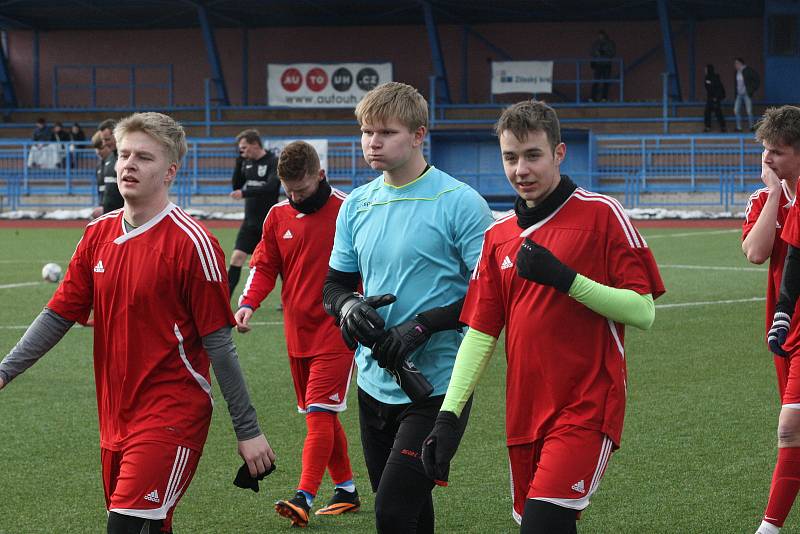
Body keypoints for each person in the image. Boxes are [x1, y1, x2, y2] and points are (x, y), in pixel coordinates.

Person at [0, 112, 276, 534]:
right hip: (116, 415)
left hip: (172, 413)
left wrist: (248, 430)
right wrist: (5, 370)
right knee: (150, 526)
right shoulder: (97, 234)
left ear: (170, 171)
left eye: (143, 157)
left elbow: (220, 345)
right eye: (124, 154)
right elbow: (58, 315)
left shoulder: (193, 242)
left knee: (124, 526)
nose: (128, 164)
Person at [420, 100, 664, 533]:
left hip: (587, 405)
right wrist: (448, 415)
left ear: (559, 153)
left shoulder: (602, 214)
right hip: (525, 413)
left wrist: (567, 280)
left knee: (542, 525)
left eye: (533, 155)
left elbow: (642, 311)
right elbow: (480, 333)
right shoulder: (498, 237)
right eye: (510, 157)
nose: (521, 170)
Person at [322, 81, 494, 533]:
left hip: (435, 386)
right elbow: (334, 285)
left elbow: (492, 294)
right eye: (365, 132)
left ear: (419, 134)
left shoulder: (459, 202)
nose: (372, 142)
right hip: (373, 382)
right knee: (410, 511)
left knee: (392, 513)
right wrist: (347, 309)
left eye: (386, 132)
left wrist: (423, 326)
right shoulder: (356, 203)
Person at [234, 141, 360, 527]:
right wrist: (248, 302)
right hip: (297, 334)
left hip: (338, 330)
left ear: (320, 176)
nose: (294, 197)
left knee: (320, 413)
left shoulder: (349, 209)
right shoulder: (277, 216)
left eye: (301, 191)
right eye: (288, 191)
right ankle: (347, 490)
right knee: (321, 414)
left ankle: (303, 496)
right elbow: (264, 264)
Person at [747, 106, 800, 534]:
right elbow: (755, 252)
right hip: (784, 329)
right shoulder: (764, 200)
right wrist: (775, 195)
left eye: (777, 153)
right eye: (765, 150)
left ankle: (770, 527)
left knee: (791, 426)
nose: (767, 160)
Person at [227, 129, 280, 298]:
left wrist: (245, 193)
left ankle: (287, 299)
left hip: (268, 223)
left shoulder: (273, 161)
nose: (242, 150)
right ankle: (224, 300)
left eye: (244, 147)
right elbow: (236, 185)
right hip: (249, 223)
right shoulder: (246, 162)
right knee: (236, 259)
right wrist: (238, 162)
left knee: (281, 264)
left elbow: (271, 187)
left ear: (255, 144)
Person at [97, 118, 124, 214]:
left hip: (124, 216)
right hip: (110, 216)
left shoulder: (128, 158)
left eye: (107, 139)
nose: (104, 143)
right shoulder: (109, 158)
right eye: (103, 140)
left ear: (117, 135)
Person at [734, 57, 760, 132]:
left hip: (746, 94)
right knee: (736, 110)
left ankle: (752, 127)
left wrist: (751, 90)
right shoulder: (737, 72)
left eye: (736, 63)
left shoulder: (748, 70)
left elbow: (756, 79)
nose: (735, 65)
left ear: (740, 63)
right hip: (739, 94)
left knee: (749, 111)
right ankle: (739, 127)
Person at [90, 130, 112, 219]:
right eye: (96, 148)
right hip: (105, 209)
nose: (98, 152)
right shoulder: (99, 165)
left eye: (101, 148)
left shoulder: (117, 163)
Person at [590, 30, 616, 102]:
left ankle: (604, 98)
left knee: (606, 82)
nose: (600, 37)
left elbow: (612, 53)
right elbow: (592, 52)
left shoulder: (609, 43)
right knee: (596, 81)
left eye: (601, 36)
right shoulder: (596, 44)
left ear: (605, 35)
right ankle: (592, 98)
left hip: (606, 64)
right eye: (599, 36)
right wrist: (593, 59)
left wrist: (604, 52)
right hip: (598, 65)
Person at [703, 64, 727, 133]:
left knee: (718, 112)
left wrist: (716, 97)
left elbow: (718, 88)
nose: (705, 71)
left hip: (715, 98)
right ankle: (707, 126)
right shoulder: (707, 77)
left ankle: (723, 126)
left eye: (706, 69)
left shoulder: (715, 78)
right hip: (710, 98)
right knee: (707, 112)